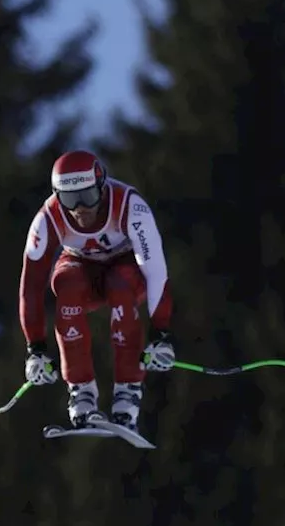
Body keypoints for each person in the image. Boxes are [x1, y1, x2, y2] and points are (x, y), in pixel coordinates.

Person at [18, 149, 176, 433]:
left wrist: (161, 333)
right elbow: (30, 285)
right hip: (81, 269)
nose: (79, 208)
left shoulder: (129, 206)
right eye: (69, 199)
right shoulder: (49, 217)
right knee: (67, 286)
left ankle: (127, 394)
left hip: (126, 271)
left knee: (120, 284)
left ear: (101, 187)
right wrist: (35, 349)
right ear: (57, 195)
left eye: (87, 197)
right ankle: (81, 394)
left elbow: (155, 270)